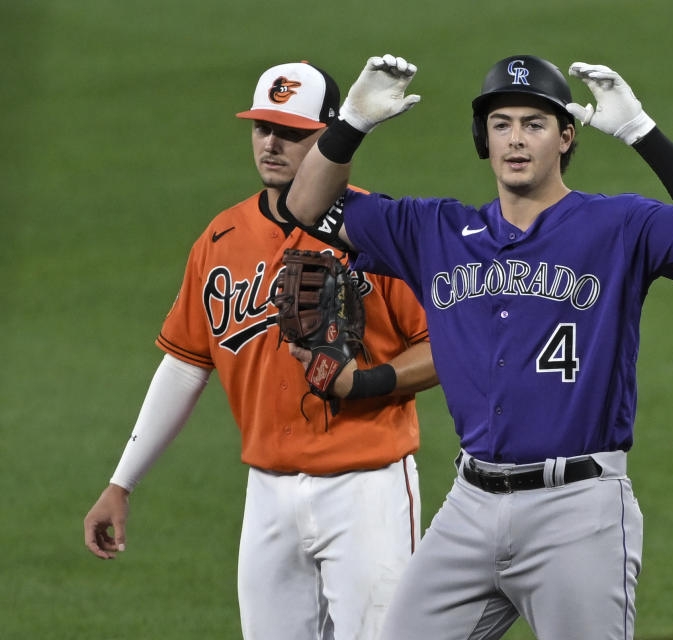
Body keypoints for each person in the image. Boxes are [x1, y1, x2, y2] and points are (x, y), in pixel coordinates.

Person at [283, 53, 673, 639]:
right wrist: (350, 123)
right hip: (469, 508)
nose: (516, 140)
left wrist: (640, 132)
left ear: (566, 137)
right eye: (501, 124)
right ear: (484, 139)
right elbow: (305, 207)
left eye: (535, 123)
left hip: (577, 511)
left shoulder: (619, 226)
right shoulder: (435, 232)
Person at [82, 61, 438, 640]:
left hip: (367, 486)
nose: (272, 143)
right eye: (262, 128)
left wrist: (367, 382)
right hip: (267, 492)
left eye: (292, 133)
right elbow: (184, 364)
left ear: (331, 135)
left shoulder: (377, 227)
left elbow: (445, 347)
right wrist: (122, 482)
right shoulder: (221, 238)